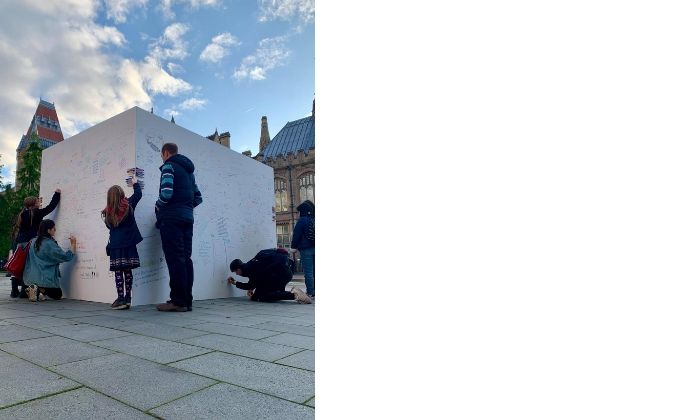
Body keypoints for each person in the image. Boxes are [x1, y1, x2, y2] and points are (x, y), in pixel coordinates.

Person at [154, 143, 203, 312]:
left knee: (175, 260)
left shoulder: (169, 166)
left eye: (162, 155)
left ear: (166, 153)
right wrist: (185, 208)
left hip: (171, 219)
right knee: (185, 259)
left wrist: (158, 205)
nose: (162, 158)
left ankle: (177, 301)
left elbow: (166, 194)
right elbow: (198, 198)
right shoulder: (189, 172)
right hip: (187, 219)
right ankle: (186, 301)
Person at [10, 189, 61, 298]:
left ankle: (14, 291)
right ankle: (24, 291)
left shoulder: (22, 214)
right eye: (38, 201)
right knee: (29, 266)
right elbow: (51, 207)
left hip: (20, 242)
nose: (39, 202)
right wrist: (57, 194)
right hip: (31, 242)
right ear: (34, 203)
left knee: (19, 265)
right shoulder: (37, 212)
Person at [102, 178, 143, 310]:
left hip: (116, 245)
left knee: (118, 272)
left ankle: (120, 299)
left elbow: (110, 228)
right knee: (127, 270)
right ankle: (128, 299)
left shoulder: (107, 212)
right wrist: (135, 182)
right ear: (121, 194)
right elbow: (138, 194)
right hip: (129, 244)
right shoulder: (129, 204)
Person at [227, 248, 312, 304]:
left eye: (236, 272)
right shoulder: (250, 265)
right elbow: (256, 280)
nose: (237, 274)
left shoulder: (249, 269)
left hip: (280, 275)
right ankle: (287, 293)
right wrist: (252, 288)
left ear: (238, 269)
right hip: (283, 273)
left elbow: (250, 284)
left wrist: (235, 282)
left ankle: (295, 295)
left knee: (262, 296)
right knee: (258, 295)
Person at [22, 219, 76, 302]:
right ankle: (39, 289)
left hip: (30, 277)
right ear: (48, 230)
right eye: (54, 228)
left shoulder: (32, 241)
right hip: (44, 278)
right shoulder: (48, 243)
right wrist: (73, 244)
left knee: (53, 292)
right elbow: (65, 257)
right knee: (57, 294)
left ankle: (36, 290)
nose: (55, 230)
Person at [291, 200, 315, 298]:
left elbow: (296, 235)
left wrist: (293, 247)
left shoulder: (302, 221)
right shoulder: (314, 219)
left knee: (309, 272)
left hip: (306, 249)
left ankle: (310, 292)